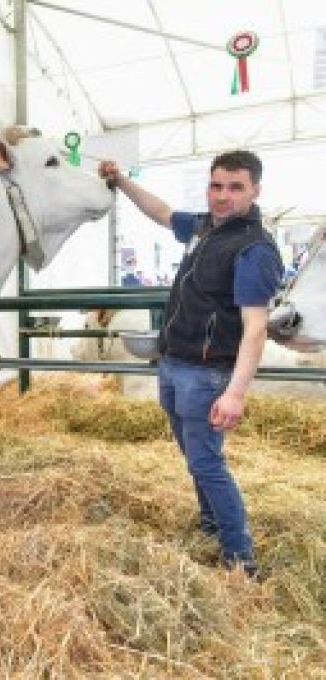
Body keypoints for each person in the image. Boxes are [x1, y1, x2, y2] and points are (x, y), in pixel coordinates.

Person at [99, 151, 283, 578]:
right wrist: (121, 180)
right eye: (216, 185)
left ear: (255, 190)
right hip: (175, 365)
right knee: (195, 457)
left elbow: (255, 328)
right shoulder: (204, 227)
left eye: (236, 187)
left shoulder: (254, 250)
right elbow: (160, 211)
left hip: (207, 374)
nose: (223, 196)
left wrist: (235, 393)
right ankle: (211, 526)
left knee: (207, 463)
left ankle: (241, 559)